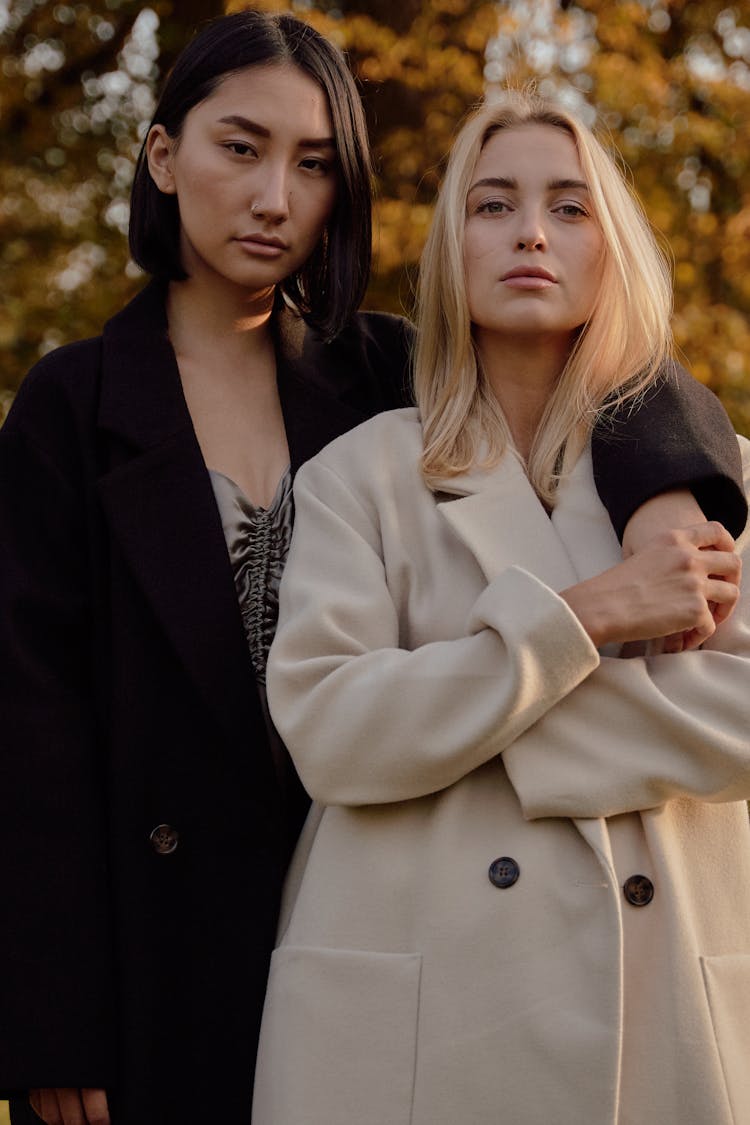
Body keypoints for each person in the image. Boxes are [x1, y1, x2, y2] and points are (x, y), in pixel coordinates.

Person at [0, 11, 743, 1123]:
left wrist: (672, 493)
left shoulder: (381, 372)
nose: (274, 199)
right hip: (167, 929)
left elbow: (604, 360)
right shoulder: (74, 402)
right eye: (239, 148)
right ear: (163, 155)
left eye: (314, 166)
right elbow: (30, 722)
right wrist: (49, 1015)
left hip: (385, 904)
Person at [253, 91, 750, 1125]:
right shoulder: (360, 477)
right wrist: (590, 619)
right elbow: (333, 733)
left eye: (570, 208)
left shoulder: (721, 479)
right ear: (450, 248)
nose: (531, 230)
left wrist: (459, 715)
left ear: (615, 247)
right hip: (422, 1017)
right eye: (493, 205)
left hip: (660, 1003)